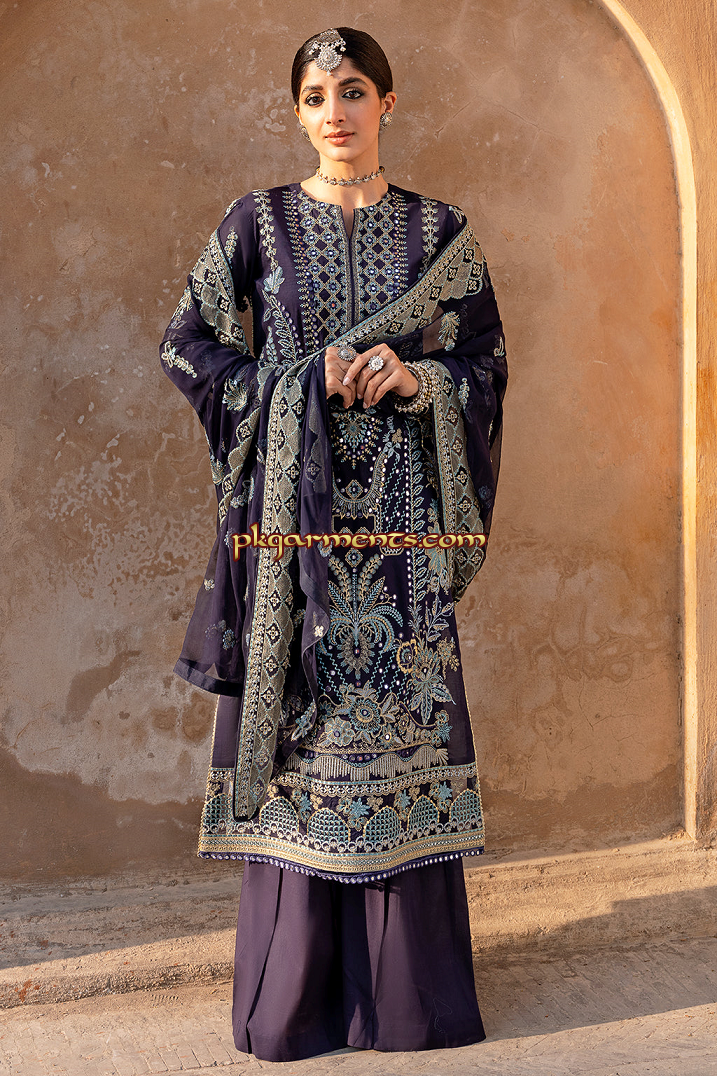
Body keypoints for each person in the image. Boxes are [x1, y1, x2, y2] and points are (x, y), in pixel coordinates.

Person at [160, 26, 508, 1063]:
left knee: (396, 738)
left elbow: (486, 362)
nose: (335, 112)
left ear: (387, 103)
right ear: (298, 112)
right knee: (303, 746)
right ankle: (298, 1003)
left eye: (353, 91)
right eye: (315, 96)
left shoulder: (442, 234)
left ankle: (408, 1002)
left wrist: (418, 379)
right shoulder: (257, 224)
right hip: (291, 544)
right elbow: (187, 344)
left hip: (401, 538)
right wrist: (295, 382)